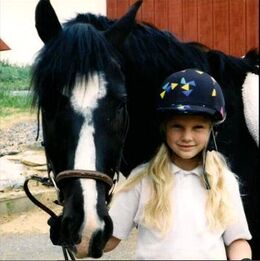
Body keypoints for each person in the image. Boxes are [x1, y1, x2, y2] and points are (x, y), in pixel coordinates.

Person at [104, 69, 252, 260]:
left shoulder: (224, 181)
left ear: (212, 132)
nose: (187, 137)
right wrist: (74, 236)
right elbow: (109, 239)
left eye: (198, 127)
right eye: (177, 127)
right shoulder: (142, 180)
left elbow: (237, 241)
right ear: (164, 129)